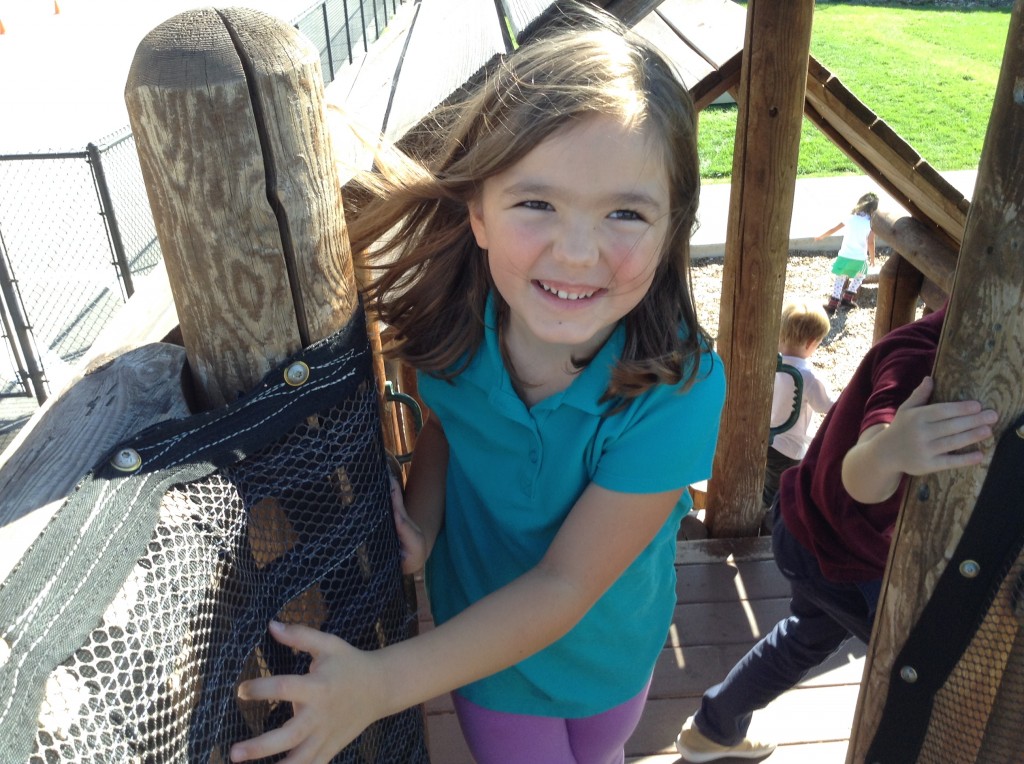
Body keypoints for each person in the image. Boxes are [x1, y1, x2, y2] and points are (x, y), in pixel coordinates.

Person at [229, 7, 727, 764]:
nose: (578, 252)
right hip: (490, 666)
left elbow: (566, 584)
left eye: (626, 212)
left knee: (603, 752)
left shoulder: (678, 389)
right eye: (537, 203)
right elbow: (447, 428)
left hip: (616, 653)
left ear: (671, 228)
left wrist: (382, 684)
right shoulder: (456, 333)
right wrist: (423, 522)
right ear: (479, 213)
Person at [675, 305, 998, 763]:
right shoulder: (920, 356)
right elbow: (861, 471)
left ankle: (713, 728)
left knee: (805, 637)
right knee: (937, 664)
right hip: (842, 552)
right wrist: (888, 452)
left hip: (808, 526)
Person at [762, 300, 836, 514]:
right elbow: (827, 406)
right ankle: (769, 520)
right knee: (780, 490)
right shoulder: (808, 377)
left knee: (768, 482)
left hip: (765, 439)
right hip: (790, 447)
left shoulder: (767, 365)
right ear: (812, 343)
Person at [816, 192, 879, 315]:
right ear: (873, 209)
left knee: (839, 279)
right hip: (860, 259)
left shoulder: (850, 218)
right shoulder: (871, 224)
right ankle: (847, 298)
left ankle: (833, 304)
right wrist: (872, 258)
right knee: (860, 276)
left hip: (844, 256)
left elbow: (834, 229)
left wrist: (821, 236)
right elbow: (871, 243)